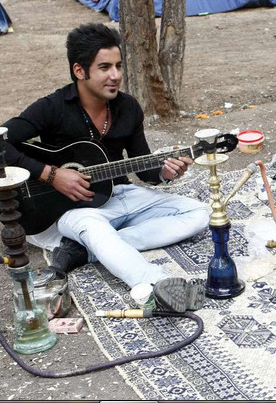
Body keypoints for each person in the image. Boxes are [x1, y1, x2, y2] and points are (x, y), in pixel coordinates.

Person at [2, 23, 210, 312]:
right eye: (104, 67)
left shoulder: (128, 107)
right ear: (79, 70)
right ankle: (156, 284)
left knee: (199, 214)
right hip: (65, 209)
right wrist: (51, 174)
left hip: (116, 193)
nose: (115, 75)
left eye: (118, 66)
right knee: (94, 227)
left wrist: (165, 172)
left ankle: (86, 250)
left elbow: (144, 166)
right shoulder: (53, 107)